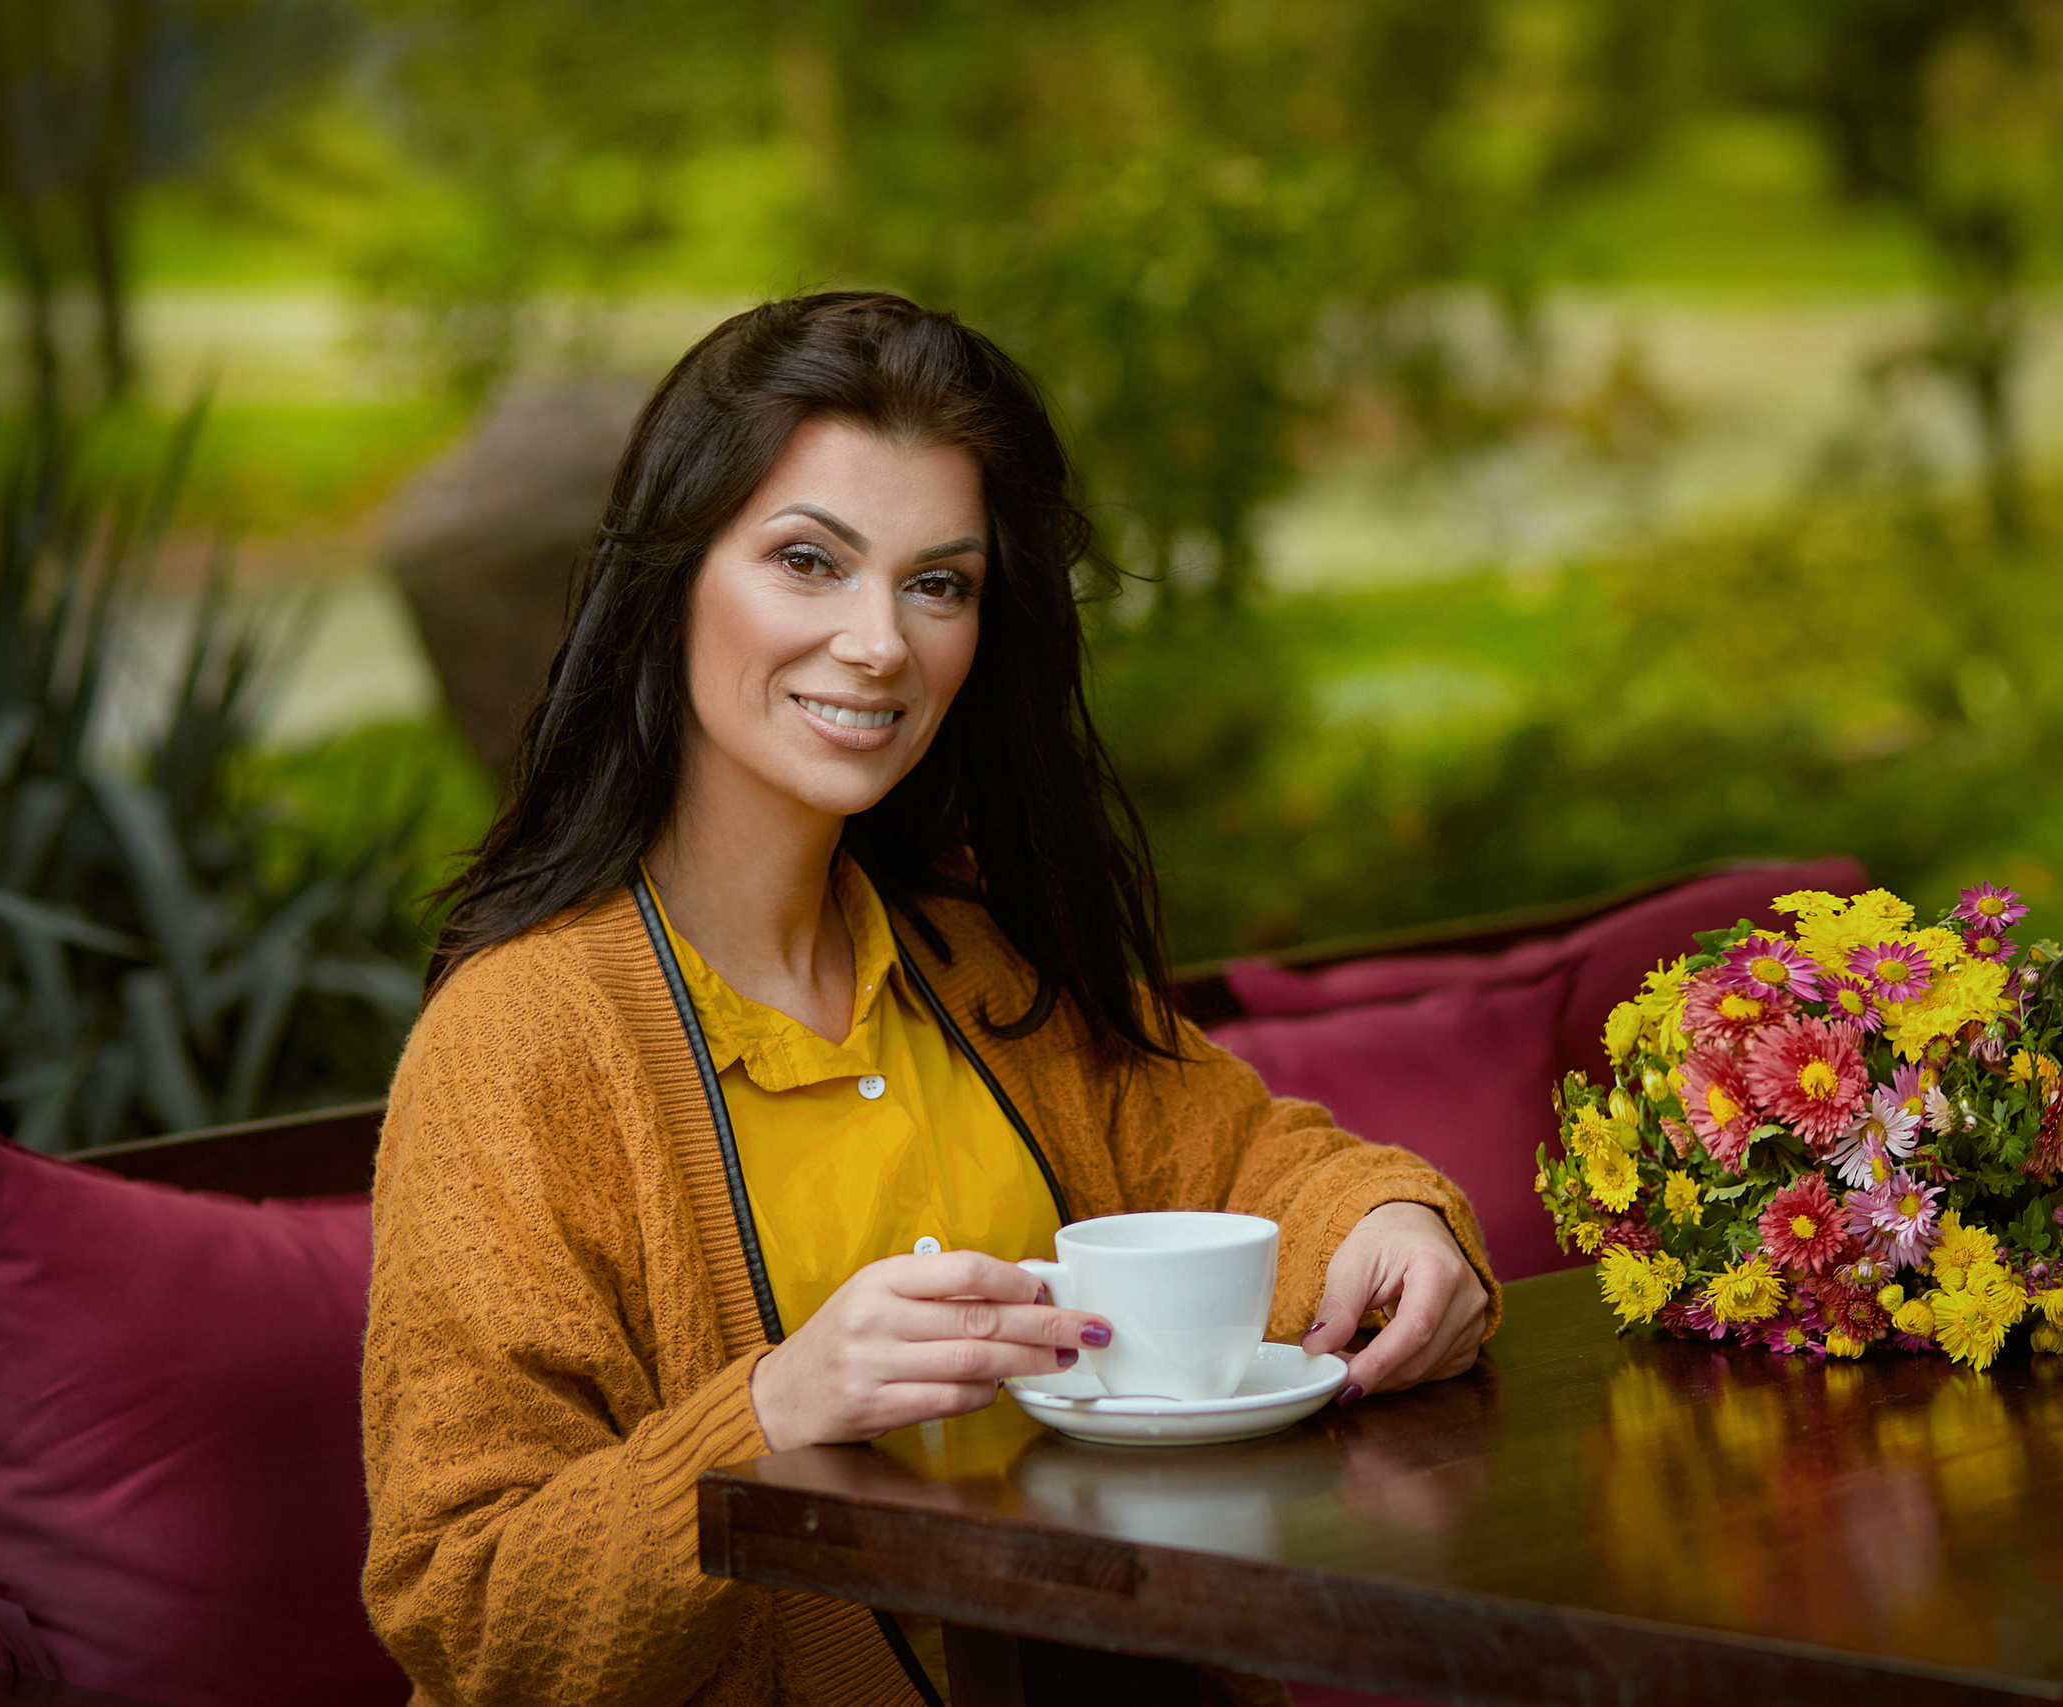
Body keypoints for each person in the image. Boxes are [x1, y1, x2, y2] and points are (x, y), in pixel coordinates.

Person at [360, 292, 1498, 1707]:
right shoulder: (516, 1043)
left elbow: (1252, 1164)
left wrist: (1390, 1223)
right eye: (808, 561)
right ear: (670, 580)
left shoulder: (976, 955)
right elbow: (469, 1609)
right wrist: (774, 1411)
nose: (879, 644)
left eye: (938, 584)